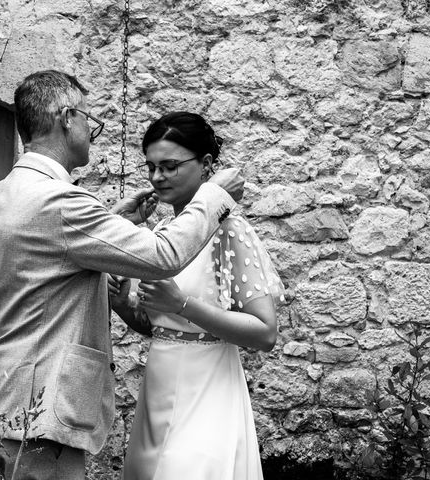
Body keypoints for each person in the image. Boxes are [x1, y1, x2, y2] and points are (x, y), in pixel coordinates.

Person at [0, 71, 246, 480]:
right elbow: (162, 255)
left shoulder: (9, 190)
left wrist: (114, 220)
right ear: (67, 118)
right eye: (88, 119)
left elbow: (50, 256)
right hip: (41, 405)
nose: (92, 130)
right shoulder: (59, 200)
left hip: (8, 395)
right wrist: (214, 195)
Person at [111, 112, 285, 480]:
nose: (158, 178)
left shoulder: (229, 231)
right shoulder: (163, 232)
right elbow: (162, 326)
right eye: (152, 167)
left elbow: (265, 332)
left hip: (208, 390)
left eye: (170, 166)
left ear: (206, 165)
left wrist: (182, 304)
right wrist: (123, 306)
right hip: (158, 385)